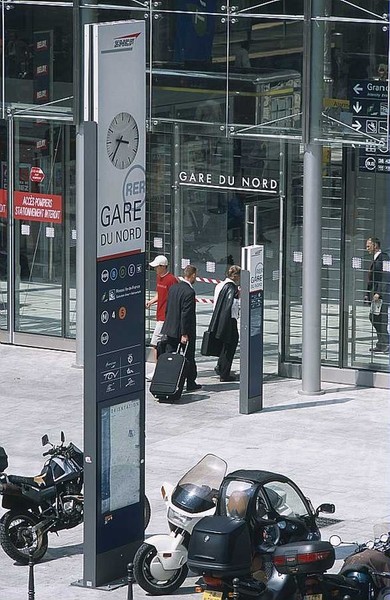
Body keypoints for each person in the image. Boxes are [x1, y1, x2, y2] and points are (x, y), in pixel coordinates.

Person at [161, 264, 202, 392]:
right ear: (193, 275)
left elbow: (168, 308)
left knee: (170, 355)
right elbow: (186, 314)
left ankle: (168, 380)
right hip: (183, 331)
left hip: (170, 328)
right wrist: (184, 333)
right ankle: (190, 382)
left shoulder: (173, 288)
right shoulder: (189, 292)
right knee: (188, 357)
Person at [208, 265, 241, 382]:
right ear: (235, 276)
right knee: (230, 344)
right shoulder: (232, 288)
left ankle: (221, 367)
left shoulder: (219, 285)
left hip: (218, 318)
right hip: (228, 320)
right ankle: (224, 372)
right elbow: (232, 306)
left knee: (224, 344)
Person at [146, 255, 177, 362]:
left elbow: (174, 298)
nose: (155, 269)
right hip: (160, 316)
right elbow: (159, 294)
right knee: (161, 343)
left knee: (155, 343)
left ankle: (157, 368)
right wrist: (150, 302)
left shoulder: (171, 280)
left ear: (163, 266)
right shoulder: (159, 278)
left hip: (165, 317)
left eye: (157, 267)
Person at [364, 237, 390, 353]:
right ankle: (382, 342)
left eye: (369, 246)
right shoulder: (375, 259)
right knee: (374, 317)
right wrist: (367, 293)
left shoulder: (384, 258)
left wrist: (379, 292)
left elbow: (386, 276)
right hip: (375, 294)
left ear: (375, 246)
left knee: (380, 318)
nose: (367, 248)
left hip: (381, 295)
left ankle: (384, 343)